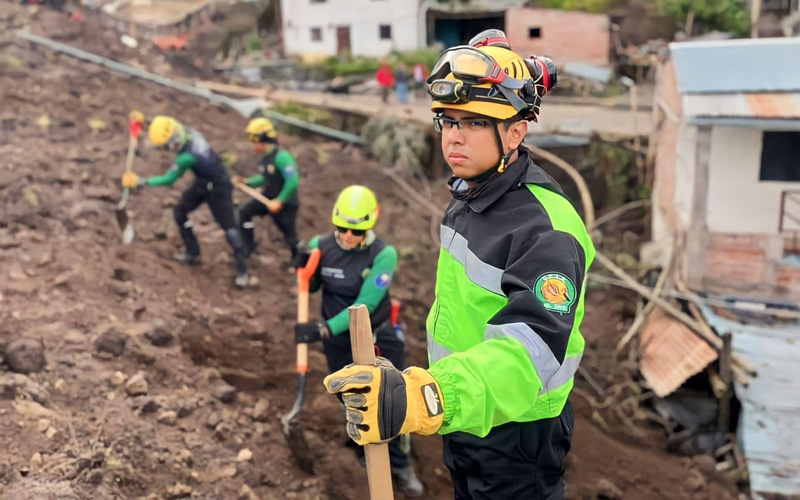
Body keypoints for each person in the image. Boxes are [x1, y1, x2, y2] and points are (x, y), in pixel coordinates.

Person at [323, 29, 594, 500]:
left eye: (472, 123)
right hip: (466, 412)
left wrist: (426, 397)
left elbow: (527, 353)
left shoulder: (546, 230)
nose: (454, 137)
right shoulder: (470, 197)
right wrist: (430, 391)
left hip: (515, 433)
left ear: (515, 130)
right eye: (447, 121)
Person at [294, 186, 424, 497]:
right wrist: (304, 267)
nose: (348, 235)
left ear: (369, 226)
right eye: (342, 228)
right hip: (338, 342)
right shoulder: (320, 245)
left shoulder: (383, 254)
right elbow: (311, 287)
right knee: (353, 399)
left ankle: (401, 462)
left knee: (393, 403)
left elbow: (364, 304)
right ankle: (364, 455)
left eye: (357, 230)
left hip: (377, 337)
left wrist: (322, 329)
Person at [121, 116, 249, 288]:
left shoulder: (186, 157)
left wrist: (141, 182)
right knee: (180, 211)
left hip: (219, 187)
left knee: (229, 227)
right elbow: (166, 128)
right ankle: (193, 253)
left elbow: (169, 179)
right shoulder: (186, 131)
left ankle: (243, 270)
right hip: (202, 182)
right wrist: (144, 122)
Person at [235, 118, 301, 263]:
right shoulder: (266, 158)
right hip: (268, 198)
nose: (252, 146)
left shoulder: (282, 157)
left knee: (288, 234)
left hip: (285, 203)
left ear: (261, 140)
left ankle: (299, 258)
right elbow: (266, 177)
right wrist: (248, 182)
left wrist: (280, 200)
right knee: (244, 212)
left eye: (254, 142)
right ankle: (248, 246)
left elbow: (293, 181)